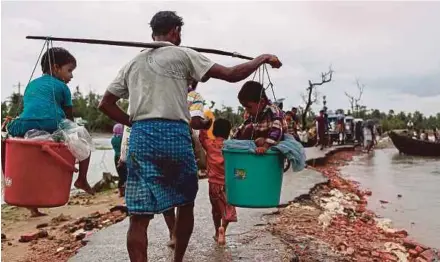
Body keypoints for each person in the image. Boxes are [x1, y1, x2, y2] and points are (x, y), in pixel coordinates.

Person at [97, 11, 281, 262]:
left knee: (138, 217)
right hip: (174, 135)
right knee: (185, 203)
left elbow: (105, 104)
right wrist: (261, 58)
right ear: (175, 32)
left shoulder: (132, 63)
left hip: (141, 137)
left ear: (153, 34)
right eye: (179, 33)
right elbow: (231, 74)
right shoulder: (183, 54)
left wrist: (134, 122)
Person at [3, 47, 94, 217]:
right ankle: (82, 178)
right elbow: (69, 117)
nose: (71, 76)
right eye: (69, 71)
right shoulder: (62, 87)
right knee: (83, 138)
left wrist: (12, 124)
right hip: (52, 123)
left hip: (22, 125)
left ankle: (15, 187)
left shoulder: (31, 84)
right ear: (55, 68)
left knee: (22, 154)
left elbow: (29, 110)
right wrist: (72, 137)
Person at [199, 118, 237, 246]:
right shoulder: (230, 147)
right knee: (227, 208)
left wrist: (204, 127)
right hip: (227, 184)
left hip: (213, 184)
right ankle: (223, 230)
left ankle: (216, 231)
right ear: (228, 132)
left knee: (215, 210)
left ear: (214, 131)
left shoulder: (210, 144)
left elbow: (202, 138)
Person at [233, 81, 287, 154]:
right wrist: (234, 141)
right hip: (257, 141)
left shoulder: (274, 112)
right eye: (244, 107)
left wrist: (265, 146)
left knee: (261, 140)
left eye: (249, 107)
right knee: (248, 128)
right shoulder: (253, 114)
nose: (246, 110)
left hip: (274, 143)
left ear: (262, 102)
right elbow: (242, 127)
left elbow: (276, 130)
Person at [111, 123, 127, 197]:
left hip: (116, 157)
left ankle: (120, 192)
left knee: (120, 175)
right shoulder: (121, 139)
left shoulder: (113, 139)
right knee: (125, 175)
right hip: (122, 157)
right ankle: (123, 191)